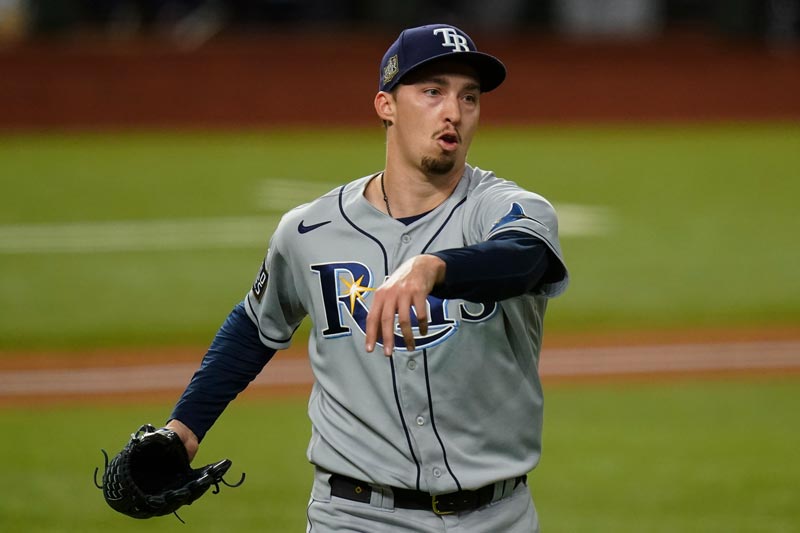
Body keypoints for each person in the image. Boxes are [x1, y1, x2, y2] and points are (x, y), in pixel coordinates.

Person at [166, 23, 569, 532]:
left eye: (469, 97)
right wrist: (185, 425)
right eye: (432, 92)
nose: (454, 112)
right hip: (354, 517)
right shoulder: (310, 230)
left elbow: (526, 257)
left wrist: (432, 267)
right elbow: (253, 326)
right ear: (386, 106)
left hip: (495, 519)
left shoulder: (505, 209)